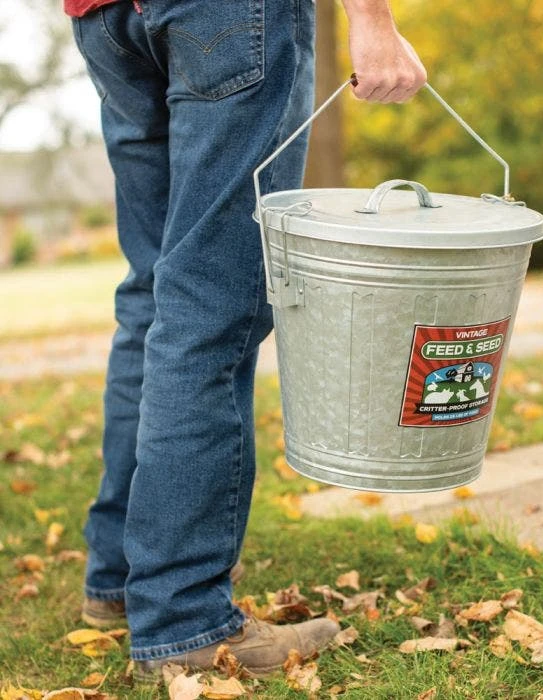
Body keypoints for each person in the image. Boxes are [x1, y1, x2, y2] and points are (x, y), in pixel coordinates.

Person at [64, 0, 426, 683]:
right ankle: (183, 619)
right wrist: (373, 20)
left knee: (153, 298)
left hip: (104, 19)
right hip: (228, 16)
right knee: (207, 305)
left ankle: (119, 579)